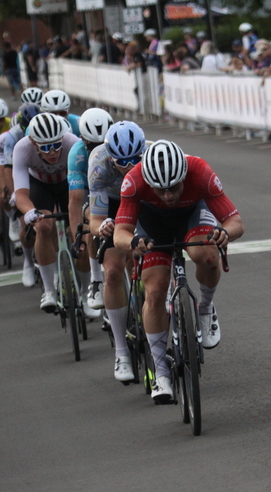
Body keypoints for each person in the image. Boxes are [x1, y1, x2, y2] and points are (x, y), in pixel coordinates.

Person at [113, 140, 244, 401]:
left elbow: (235, 222)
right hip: (152, 223)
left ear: (184, 175)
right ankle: (161, 373)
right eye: (160, 189)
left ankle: (205, 307)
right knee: (155, 290)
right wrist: (133, 242)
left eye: (174, 187)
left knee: (206, 255)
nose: (168, 195)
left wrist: (224, 233)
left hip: (192, 215)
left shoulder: (201, 172)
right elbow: (120, 233)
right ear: (148, 181)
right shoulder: (133, 180)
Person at [87, 121, 146, 383]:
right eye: (122, 162)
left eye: (135, 159)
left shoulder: (152, 157)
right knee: (112, 271)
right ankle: (121, 351)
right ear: (111, 156)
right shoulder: (99, 164)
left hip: (143, 199)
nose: (129, 166)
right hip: (113, 204)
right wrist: (103, 227)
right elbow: (95, 220)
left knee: (148, 256)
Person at [12, 113, 80, 311]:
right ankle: (49, 290)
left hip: (68, 182)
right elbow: (21, 194)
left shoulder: (72, 143)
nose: (52, 152)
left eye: (56, 145)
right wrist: (30, 211)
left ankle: (86, 290)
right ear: (34, 143)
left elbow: (84, 186)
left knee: (79, 229)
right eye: (45, 147)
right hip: (40, 185)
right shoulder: (22, 148)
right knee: (42, 227)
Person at [67, 107, 115, 321]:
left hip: (116, 188)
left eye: (104, 144)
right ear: (83, 140)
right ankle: (96, 280)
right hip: (92, 191)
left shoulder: (120, 142)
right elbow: (75, 200)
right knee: (89, 221)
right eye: (93, 146)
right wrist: (77, 237)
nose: (99, 151)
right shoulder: (76, 154)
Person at [0, 103, 42, 286]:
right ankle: (28, 262)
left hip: (40, 173)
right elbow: (8, 167)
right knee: (26, 222)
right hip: (20, 171)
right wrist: (12, 191)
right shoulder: (12, 136)